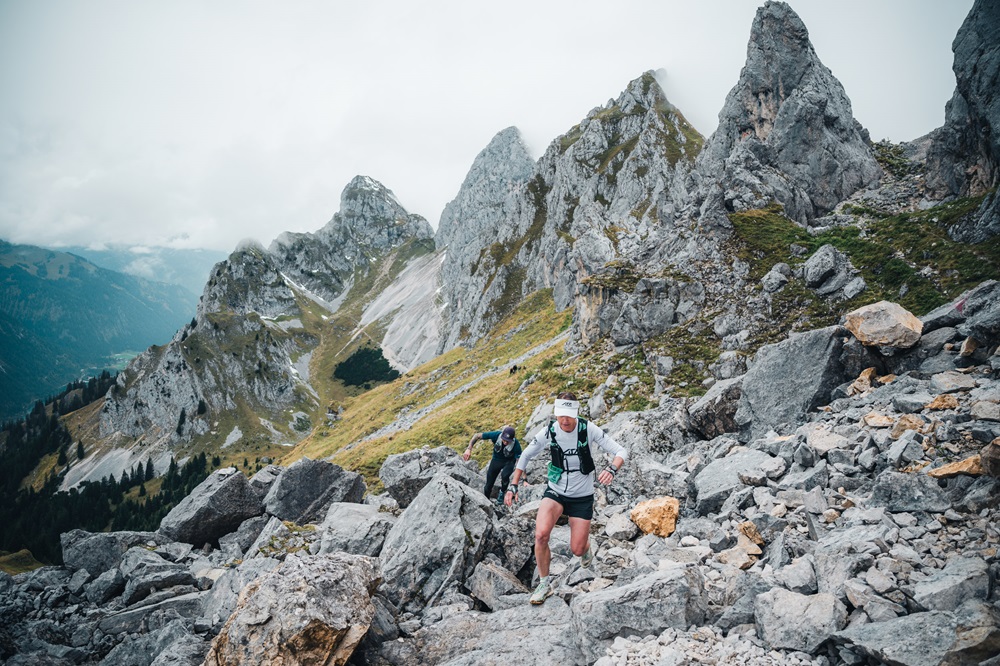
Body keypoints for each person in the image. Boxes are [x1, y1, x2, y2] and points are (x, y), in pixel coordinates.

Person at [504, 392, 627, 605]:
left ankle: (585, 547)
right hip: (556, 492)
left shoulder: (587, 429)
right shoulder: (549, 431)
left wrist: (612, 469)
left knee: (577, 550)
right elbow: (525, 456)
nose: (565, 420)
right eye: (561, 415)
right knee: (541, 535)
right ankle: (544, 584)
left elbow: (621, 451)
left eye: (569, 415)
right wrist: (513, 485)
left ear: (576, 413)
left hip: (582, 496)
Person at [463, 425, 522, 504]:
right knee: (488, 485)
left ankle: (502, 493)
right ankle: (486, 502)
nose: (505, 442)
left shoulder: (516, 445)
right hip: (496, 460)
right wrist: (469, 449)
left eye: (508, 441)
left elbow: (520, 461)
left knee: (505, 476)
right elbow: (476, 436)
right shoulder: (496, 435)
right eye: (504, 440)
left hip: (509, 462)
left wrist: (524, 479)